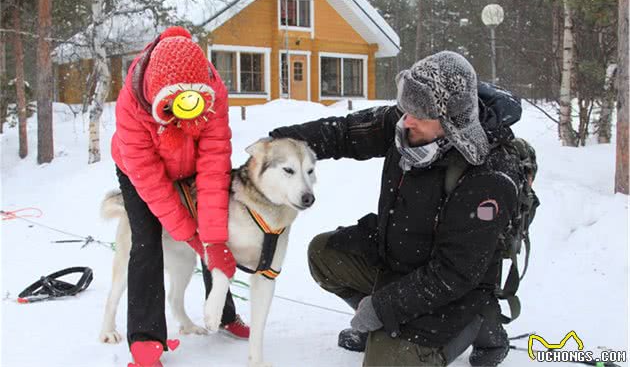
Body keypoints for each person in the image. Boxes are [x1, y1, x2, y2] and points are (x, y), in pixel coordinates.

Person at [269, 51, 525, 366]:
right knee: (324, 254)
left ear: (452, 121)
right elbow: (345, 133)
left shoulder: (488, 175)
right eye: (406, 107)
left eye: (419, 112)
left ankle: (478, 325)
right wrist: (280, 145)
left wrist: (382, 307)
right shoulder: (410, 123)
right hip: (401, 256)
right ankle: (386, 323)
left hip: (454, 290)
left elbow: (455, 273)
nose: (406, 119)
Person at [111, 27, 248, 366]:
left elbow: (215, 167)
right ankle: (145, 337)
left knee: (216, 232)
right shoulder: (131, 103)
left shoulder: (214, 93)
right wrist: (192, 236)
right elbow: (152, 183)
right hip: (138, 171)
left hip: (191, 166)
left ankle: (223, 311)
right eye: (173, 106)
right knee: (146, 242)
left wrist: (212, 241)